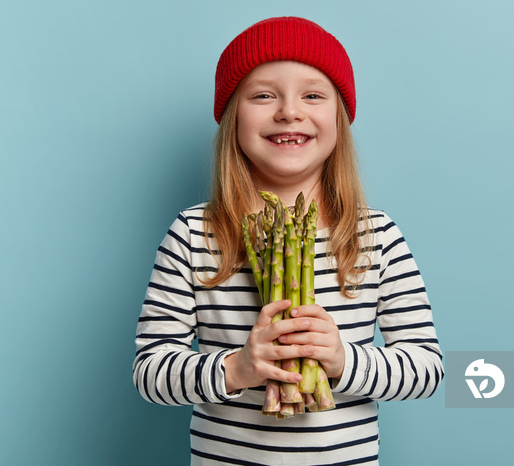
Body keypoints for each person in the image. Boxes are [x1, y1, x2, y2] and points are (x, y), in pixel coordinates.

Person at [133, 16, 443, 465]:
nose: (289, 111)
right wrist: (236, 368)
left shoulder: (376, 236)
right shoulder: (194, 234)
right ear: (231, 117)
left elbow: (426, 370)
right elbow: (150, 372)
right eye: (263, 95)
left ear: (339, 118)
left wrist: (342, 360)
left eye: (313, 95)